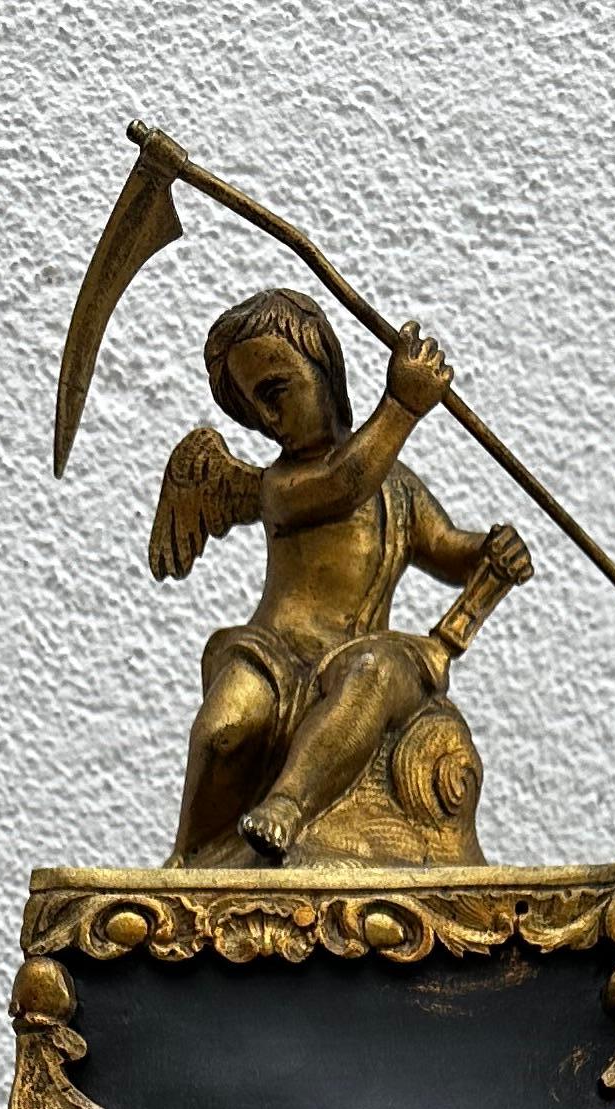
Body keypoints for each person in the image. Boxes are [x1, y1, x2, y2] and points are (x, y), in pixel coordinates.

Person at [149, 291, 528, 863]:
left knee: (371, 673)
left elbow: (446, 550)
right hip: (277, 653)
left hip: (363, 657)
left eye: (277, 392)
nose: (270, 420)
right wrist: (402, 404)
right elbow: (347, 481)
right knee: (225, 723)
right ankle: (188, 855)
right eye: (256, 409)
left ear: (323, 370)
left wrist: (489, 552)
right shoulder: (284, 487)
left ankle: (288, 808)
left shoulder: (397, 485)